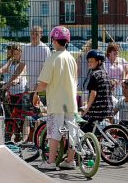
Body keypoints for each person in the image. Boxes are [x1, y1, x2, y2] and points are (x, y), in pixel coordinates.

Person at [33, 26, 78, 170]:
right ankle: (70, 160)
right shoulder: (71, 58)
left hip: (57, 103)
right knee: (72, 132)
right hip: (70, 102)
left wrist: (35, 94)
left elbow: (43, 84)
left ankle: (51, 162)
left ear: (54, 40)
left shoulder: (53, 58)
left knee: (54, 132)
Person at [81, 50, 113, 133]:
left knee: (83, 125)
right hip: (107, 109)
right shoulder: (105, 74)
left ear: (99, 61)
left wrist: (86, 109)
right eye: (88, 61)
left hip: (97, 110)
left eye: (91, 61)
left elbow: (93, 94)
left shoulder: (94, 75)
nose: (89, 63)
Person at [21, 26, 51, 92]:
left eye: (36, 34)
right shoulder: (26, 48)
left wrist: (39, 84)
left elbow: (47, 69)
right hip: (28, 86)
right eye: (32, 33)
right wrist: (12, 79)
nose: (33, 36)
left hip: (41, 88)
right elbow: (21, 66)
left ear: (41, 35)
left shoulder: (45, 49)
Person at [76, 39, 92, 106]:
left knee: (83, 104)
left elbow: (78, 72)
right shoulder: (94, 58)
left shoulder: (80, 56)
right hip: (89, 82)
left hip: (82, 82)